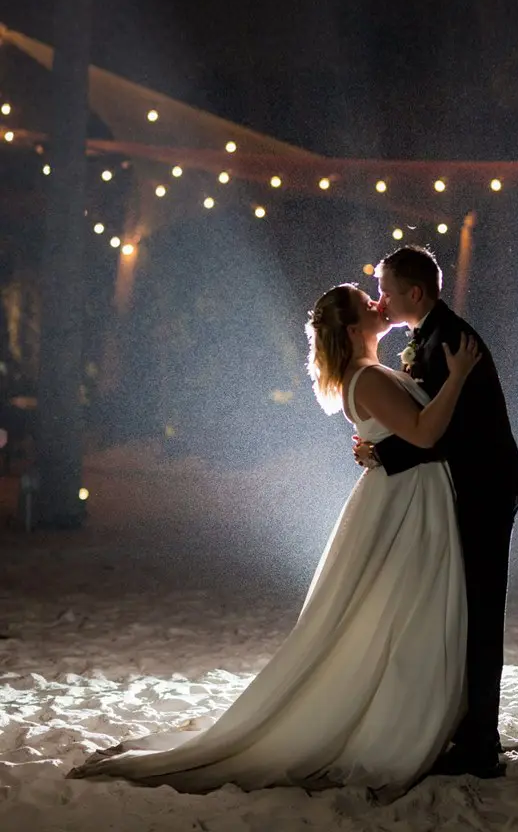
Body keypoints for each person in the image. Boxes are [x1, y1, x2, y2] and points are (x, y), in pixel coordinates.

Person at [68, 283, 480, 802]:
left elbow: (402, 434)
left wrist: (379, 445)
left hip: (405, 494)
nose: (379, 305)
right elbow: (422, 434)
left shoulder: (367, 374)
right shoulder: (368, 377)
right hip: (406, 501)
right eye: (367, 303)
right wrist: (459, 377)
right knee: (400, 610)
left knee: (395, 610)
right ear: (354, 330)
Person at [354, 245, 518, 779]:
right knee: (465, 611)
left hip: (483, 492)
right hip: (471, 487)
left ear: (415, 292)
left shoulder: (448, 339)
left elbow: (441, 430)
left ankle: (480, 745)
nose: (381, 299)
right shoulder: (430, 335)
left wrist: (381, 453)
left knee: (479, 616)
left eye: (386, 288)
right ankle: (468, 728)